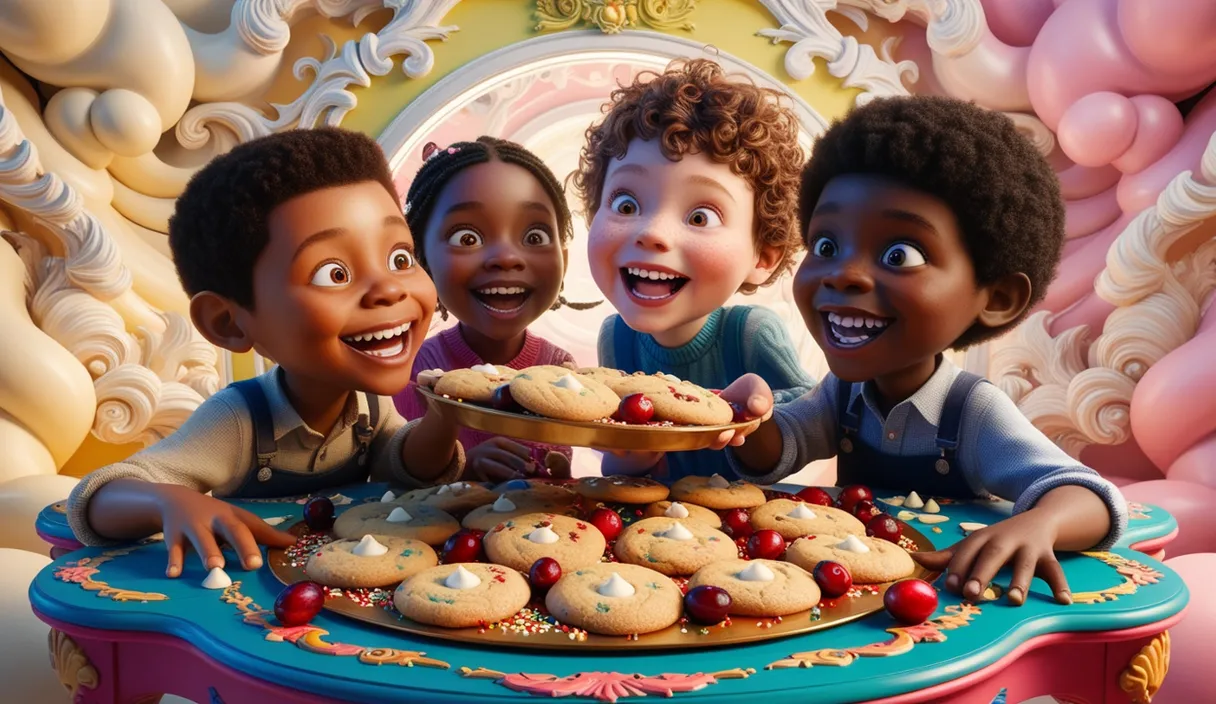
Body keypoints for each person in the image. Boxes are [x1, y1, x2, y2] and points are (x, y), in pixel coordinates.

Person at [725, 96, 1128, 607]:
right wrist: (750, 416)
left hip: (951, 604)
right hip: (857, 600)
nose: (844, 273)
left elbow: (1090, 496)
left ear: (997, 299)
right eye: (827, 246)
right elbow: (781, 449)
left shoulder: (972, 413)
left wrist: (1040, 524)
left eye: (901, 254)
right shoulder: (843, 394)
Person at [66, 128, 465, 578]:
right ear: (228, 322)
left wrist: (444, 418)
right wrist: (167, 498)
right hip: (253, 596)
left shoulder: (369, 405)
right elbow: (99, 498)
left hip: (343, 586)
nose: (390, 289)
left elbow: (402, 467)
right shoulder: (238, 422)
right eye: (334, 273)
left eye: (399, 258)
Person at [572, 58, 815, 480]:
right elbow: (619, 456)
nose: (653, 233)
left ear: (763, 257)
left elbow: (814, 411)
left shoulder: (751, 333)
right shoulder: (616, 337)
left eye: (701, 216)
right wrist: (624, 455)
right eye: (627, 205)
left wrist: (761, 409)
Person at [394, 136, 594, 481]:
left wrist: (557, 472)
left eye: (534, 237)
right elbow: (399, 481)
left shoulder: (560, 369)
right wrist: (465, 466)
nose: (505, 258)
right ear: (421, 260)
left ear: (562, 257)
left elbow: (560, 471)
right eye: (466, 238)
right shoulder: (416, 373)